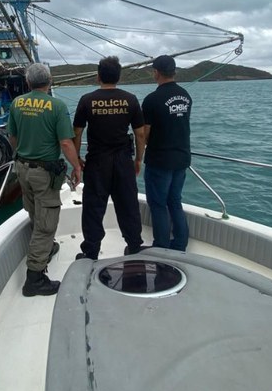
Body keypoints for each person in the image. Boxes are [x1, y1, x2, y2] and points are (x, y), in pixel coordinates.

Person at [8, 63, 81, 297]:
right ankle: (35, 279)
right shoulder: (56, 106)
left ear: (28, 83)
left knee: (34, 213)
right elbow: (66, 142)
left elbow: (12, 136)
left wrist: (20, 156)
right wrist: (77, 166)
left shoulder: (17, 103)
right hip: (44, 173)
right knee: (46, 223)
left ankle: (46, 248)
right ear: (50, 81)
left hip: (22, 168)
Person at [73, 56, 145, 260]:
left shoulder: (87, 100)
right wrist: (139, 159)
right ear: (119, 76)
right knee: (128, 204)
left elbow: (77, 131)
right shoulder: (130, 99)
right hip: (123, 160)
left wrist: (76, 158)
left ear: (98, 76)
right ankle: (133, 245)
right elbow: (140, 134)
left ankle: (91, 251)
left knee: (93, 207)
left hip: (97, 161)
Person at [142, 55, 192, 251]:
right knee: (175, 201)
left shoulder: (152, 100)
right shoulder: (186, 96)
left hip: (160, 160)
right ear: (174, 72)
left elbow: (145, 133)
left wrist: (138, 153)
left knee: (158, 204)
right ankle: (180, 244)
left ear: (156, 72)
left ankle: (161, 246)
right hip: (182, 158)